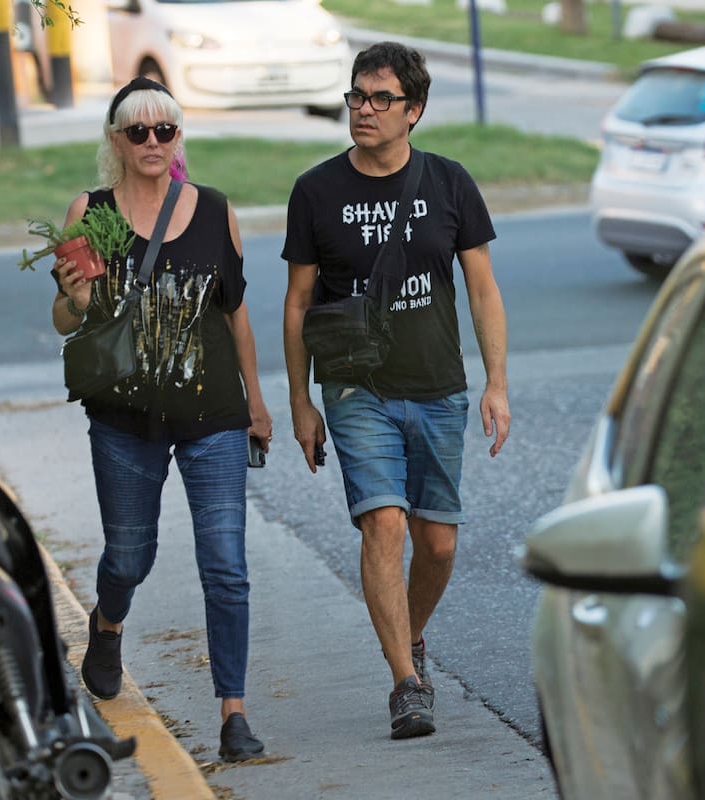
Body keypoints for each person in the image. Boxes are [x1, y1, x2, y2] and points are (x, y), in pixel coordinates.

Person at [281, 42, 511, 740]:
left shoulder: (447, 182)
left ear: (414, 111)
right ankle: (406, 684)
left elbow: (481, 286)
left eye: (381, 99)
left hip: (438, 385)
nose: (363, 110)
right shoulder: (316, 191)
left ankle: (408, 635)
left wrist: (497, 381)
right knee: (382, 522)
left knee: (436, 544)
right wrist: (300, 400)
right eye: (356, 96)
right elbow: (296, 304)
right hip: (357, 388)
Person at [50, 77, 271, 761]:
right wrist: (77, 298)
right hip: (125, 417)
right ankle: (109, 627)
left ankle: (234, 712)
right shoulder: (96, 214)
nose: (152, 142)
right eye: (138, 131)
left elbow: (233, 310)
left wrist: (257, 404)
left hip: (213, 415)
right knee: (129, 555)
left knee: (226, 565)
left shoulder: (212, 211)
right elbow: (64, 319)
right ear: (116, 140)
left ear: (178, 137)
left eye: (165, 130)